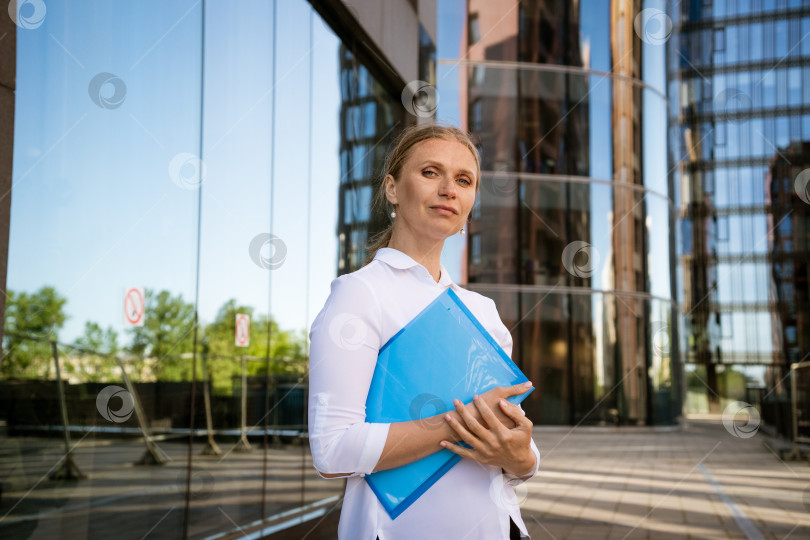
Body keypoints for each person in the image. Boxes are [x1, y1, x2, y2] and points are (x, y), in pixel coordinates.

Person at [308, 123, 540, 539]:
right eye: (431, 172)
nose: (450, 189)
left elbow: (515, 456)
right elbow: (332, 451)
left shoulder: (482, 312)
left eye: (464, 180)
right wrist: (460, 423)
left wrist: (523, 457)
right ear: (392, 188)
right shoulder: (358, 295)